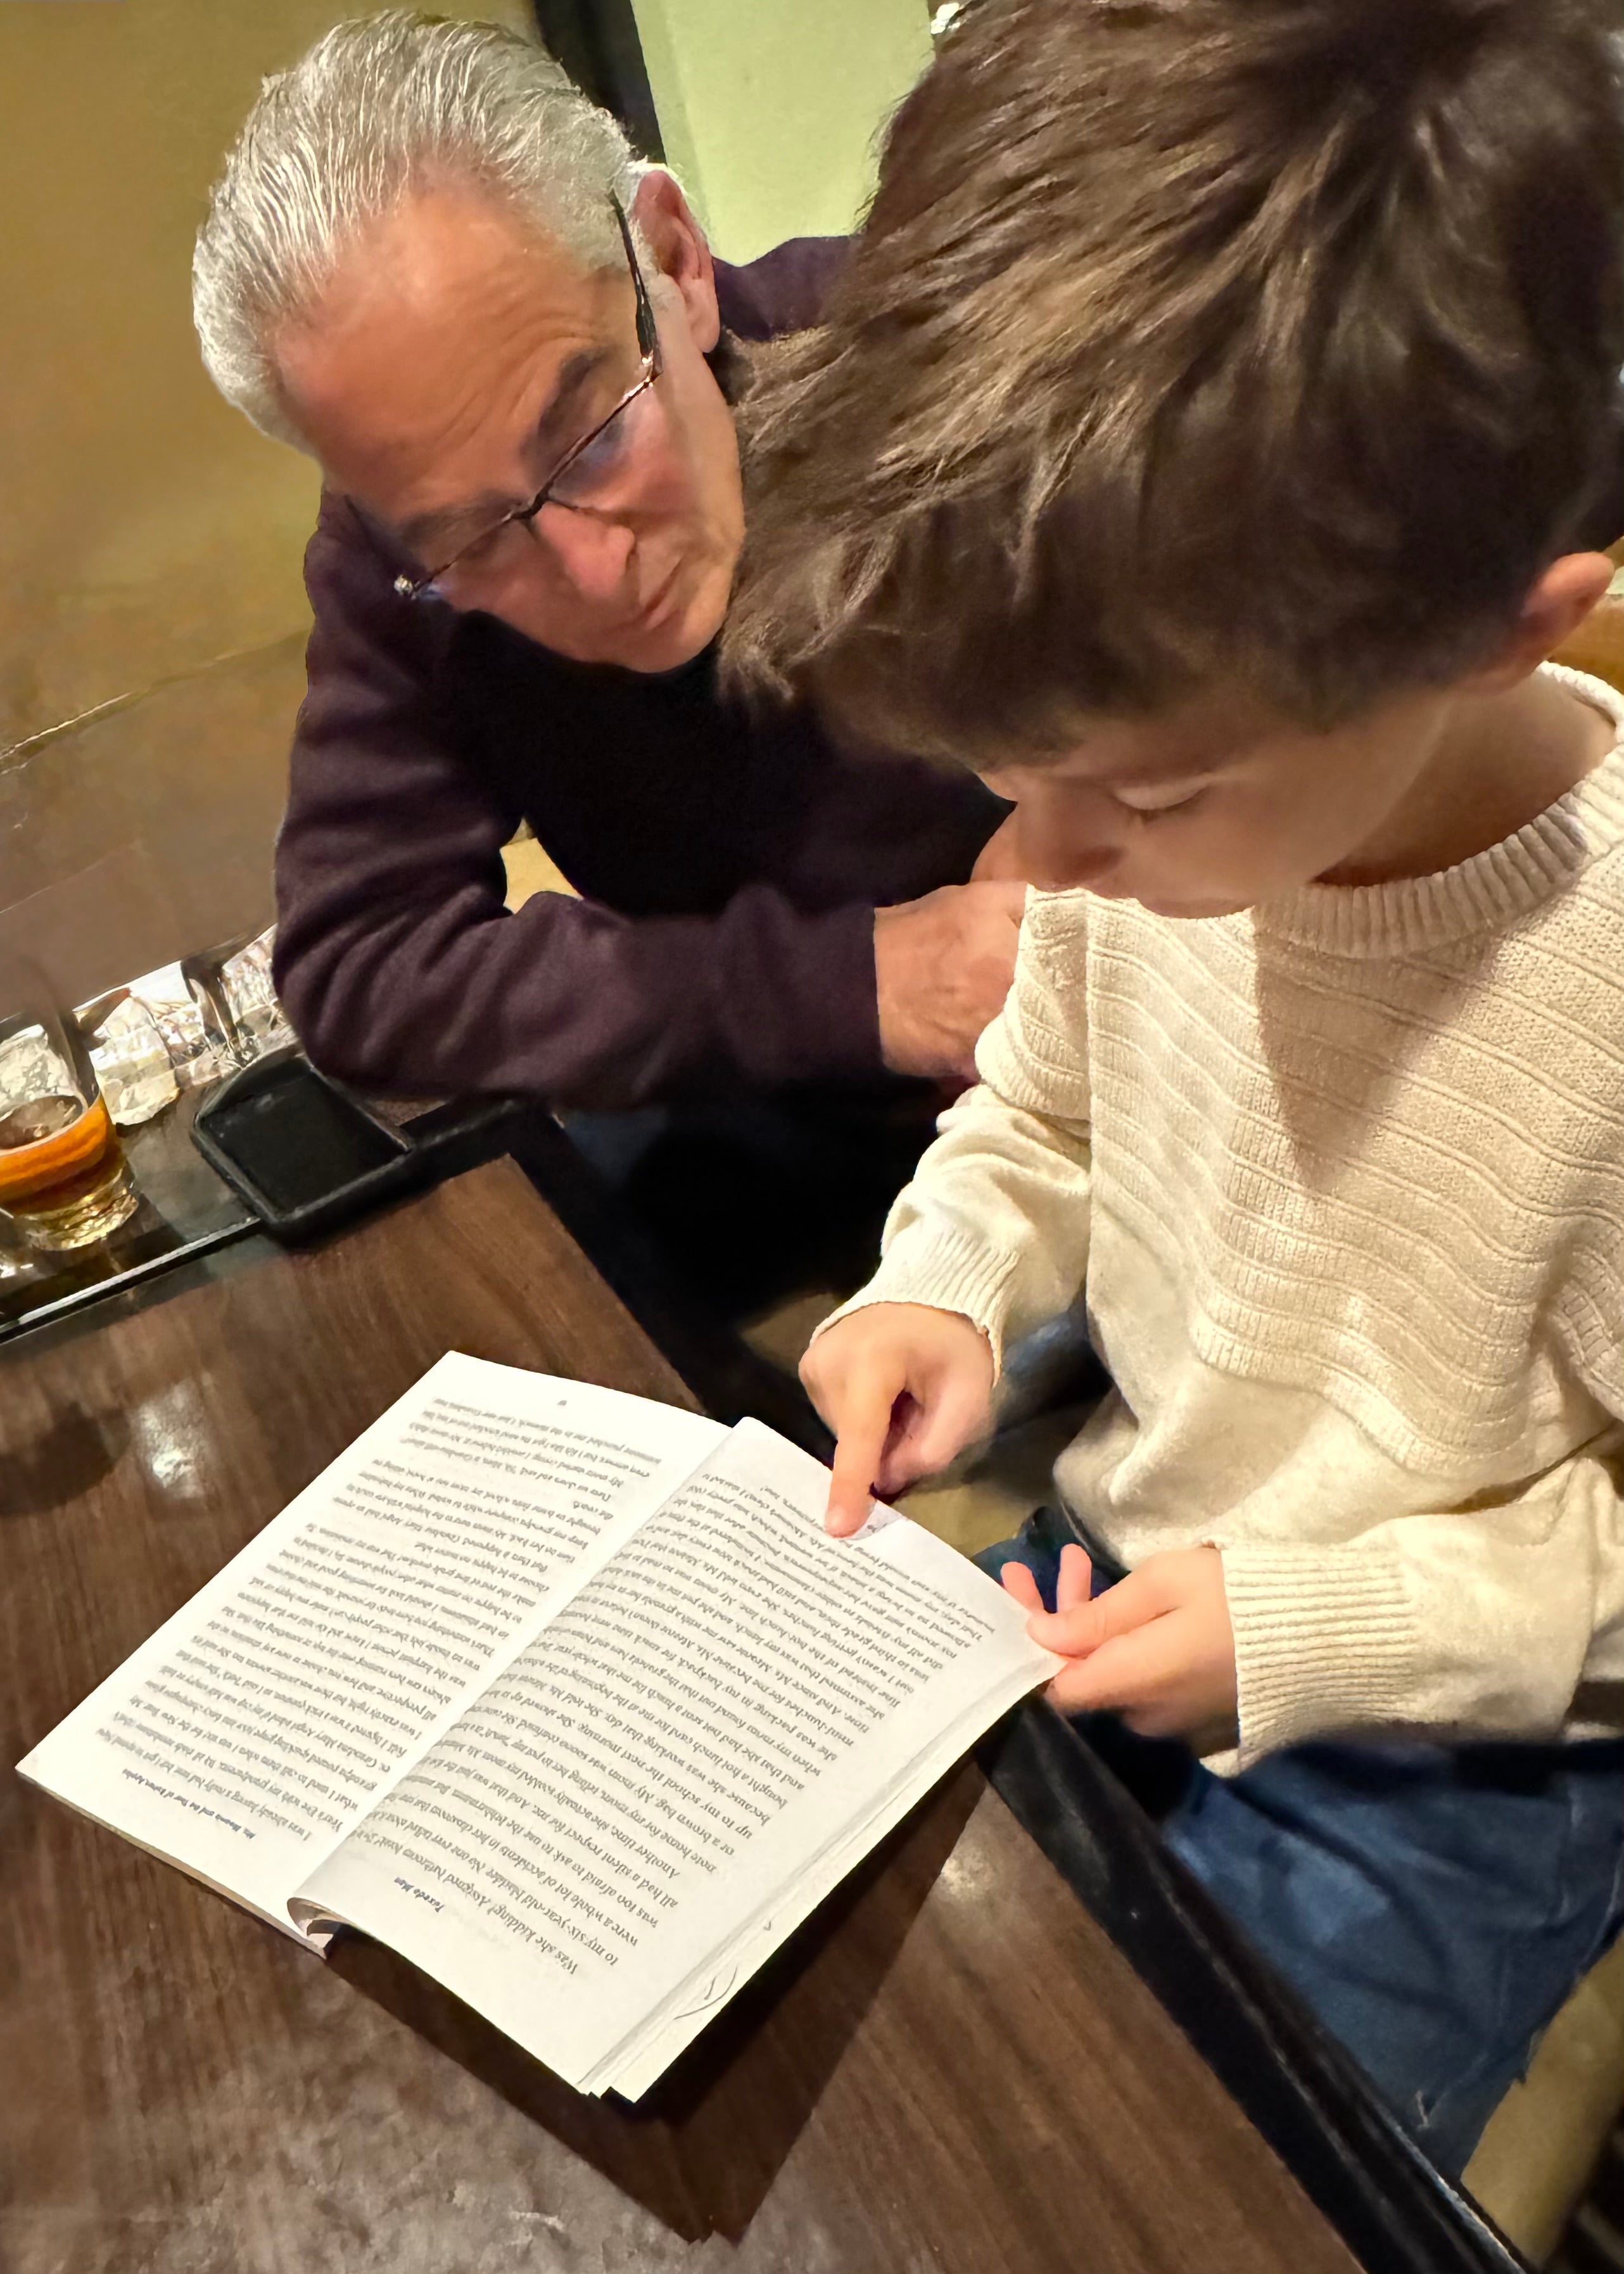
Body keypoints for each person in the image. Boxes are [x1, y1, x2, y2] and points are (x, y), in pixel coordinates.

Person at [724, 0, 1624, 2171]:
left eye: (1134, 796)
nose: (1044, 863)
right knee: (842, 2032)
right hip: (1125, 1556)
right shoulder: (1132, 813)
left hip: (1458, 1739)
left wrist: (1310, 1624)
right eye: (1007, 779)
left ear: (1503, 628)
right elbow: (1038, 1114)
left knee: (1155, 2164)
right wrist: (940, 1280)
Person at [191, 12, 1017, 1317]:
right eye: (474, 537)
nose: (586, 572)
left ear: (673, 261)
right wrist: (849, 984)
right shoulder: (395, 563)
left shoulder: (926, 344)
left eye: (590, 437)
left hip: (1115, 1059)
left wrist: (1086, 859)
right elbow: (359, 964)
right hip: (794, 1097)